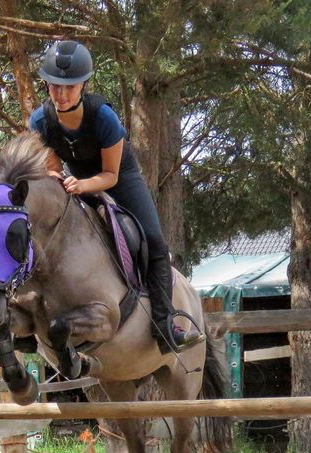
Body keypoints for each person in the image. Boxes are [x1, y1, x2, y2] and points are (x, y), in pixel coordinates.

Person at [28, 39, 201, 353]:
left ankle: (166, 326)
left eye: (70, 87)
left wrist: (80, 185)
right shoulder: (39, 121)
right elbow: (52, 168)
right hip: (75, 180)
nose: (61, 94)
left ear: (84, 85)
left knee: (155, 242)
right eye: (55, 86)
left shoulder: (104, 118)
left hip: (120, 180)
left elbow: (110, 175)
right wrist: (58, 178)